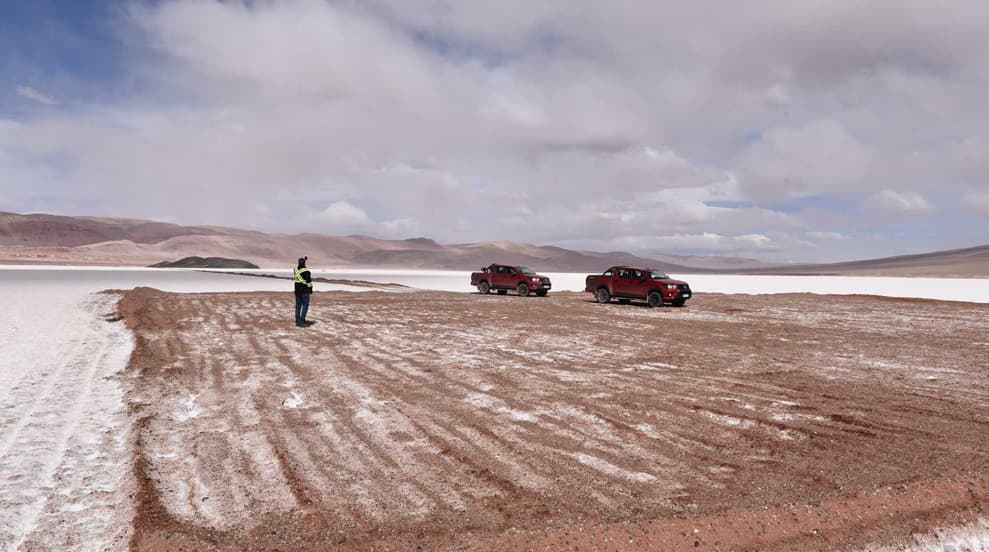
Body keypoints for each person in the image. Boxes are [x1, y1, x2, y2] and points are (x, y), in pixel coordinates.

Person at [294, 256, 313, 327]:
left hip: (297, 290)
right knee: (305, 306)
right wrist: (310, 289)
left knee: (298, 306)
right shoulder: (306, 271)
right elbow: (309, 281)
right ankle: (301, 321)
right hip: (305, 291)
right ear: (304, 263)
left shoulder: (295, 269)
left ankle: (297, 320)